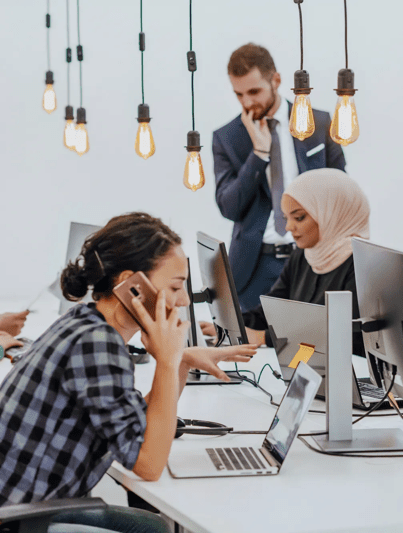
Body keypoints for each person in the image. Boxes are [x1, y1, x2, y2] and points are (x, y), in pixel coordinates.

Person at [0, 213, 256, 532]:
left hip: (23, 502)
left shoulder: (87, 322)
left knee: (148, 523)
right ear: (131, 285)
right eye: (176, 286)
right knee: (153, 528)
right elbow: (148, 464)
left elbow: (140, 424)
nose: (184, 300)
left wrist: (179, 361)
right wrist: (166, 361)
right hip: (23, 517)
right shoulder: (98, 345)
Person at [213, 43, 346, 312]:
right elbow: (229, 207)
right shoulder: (226, 137)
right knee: (252, 346)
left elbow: (340, 192)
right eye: (238, 94)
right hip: (255, 267)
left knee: (313, 346)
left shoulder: (318, 123)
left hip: (313, 260)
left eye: (254, 91)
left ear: (276, 80)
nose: (247, 102)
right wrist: (259, 153)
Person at [237, 168, 369, 356]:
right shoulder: (304, 254)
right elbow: (272, 310)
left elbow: (343, 336)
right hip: (307, 365)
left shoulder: (362, 264)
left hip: (348, 373)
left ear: (330, 213)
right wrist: (231, 324)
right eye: (286, 218)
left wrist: (263, 338)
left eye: (299, 217)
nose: (289, 227)